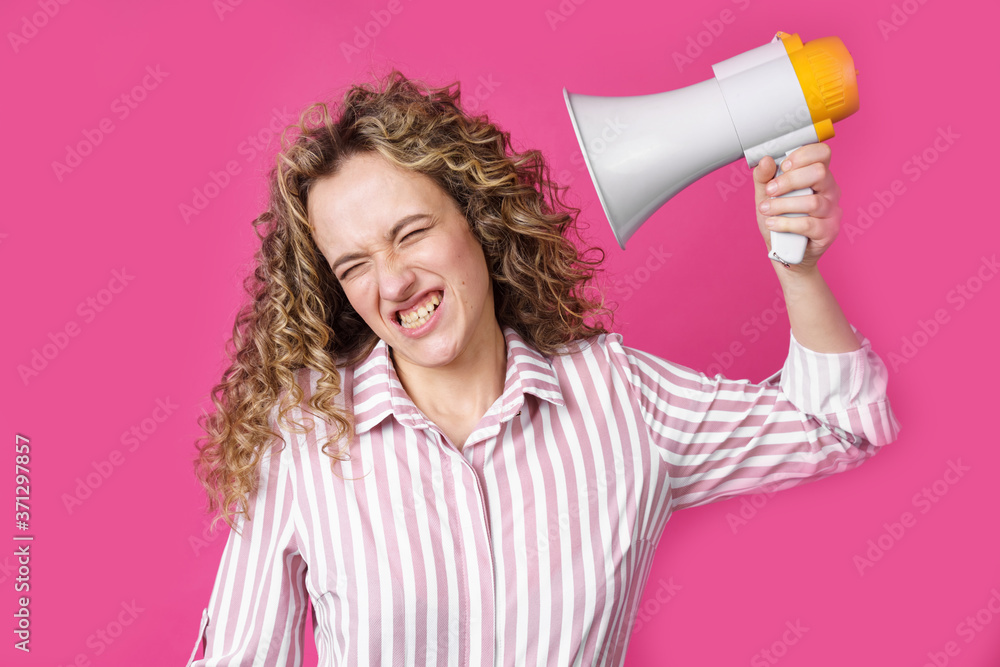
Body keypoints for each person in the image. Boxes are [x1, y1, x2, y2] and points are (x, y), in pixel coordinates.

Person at [187, 70, 900, 666]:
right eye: (354, 265)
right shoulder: (306, 437)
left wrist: (797, 268)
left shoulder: (617, 396)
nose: (394, 282)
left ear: (477, 218)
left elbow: (837, 424)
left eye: (411, 233)